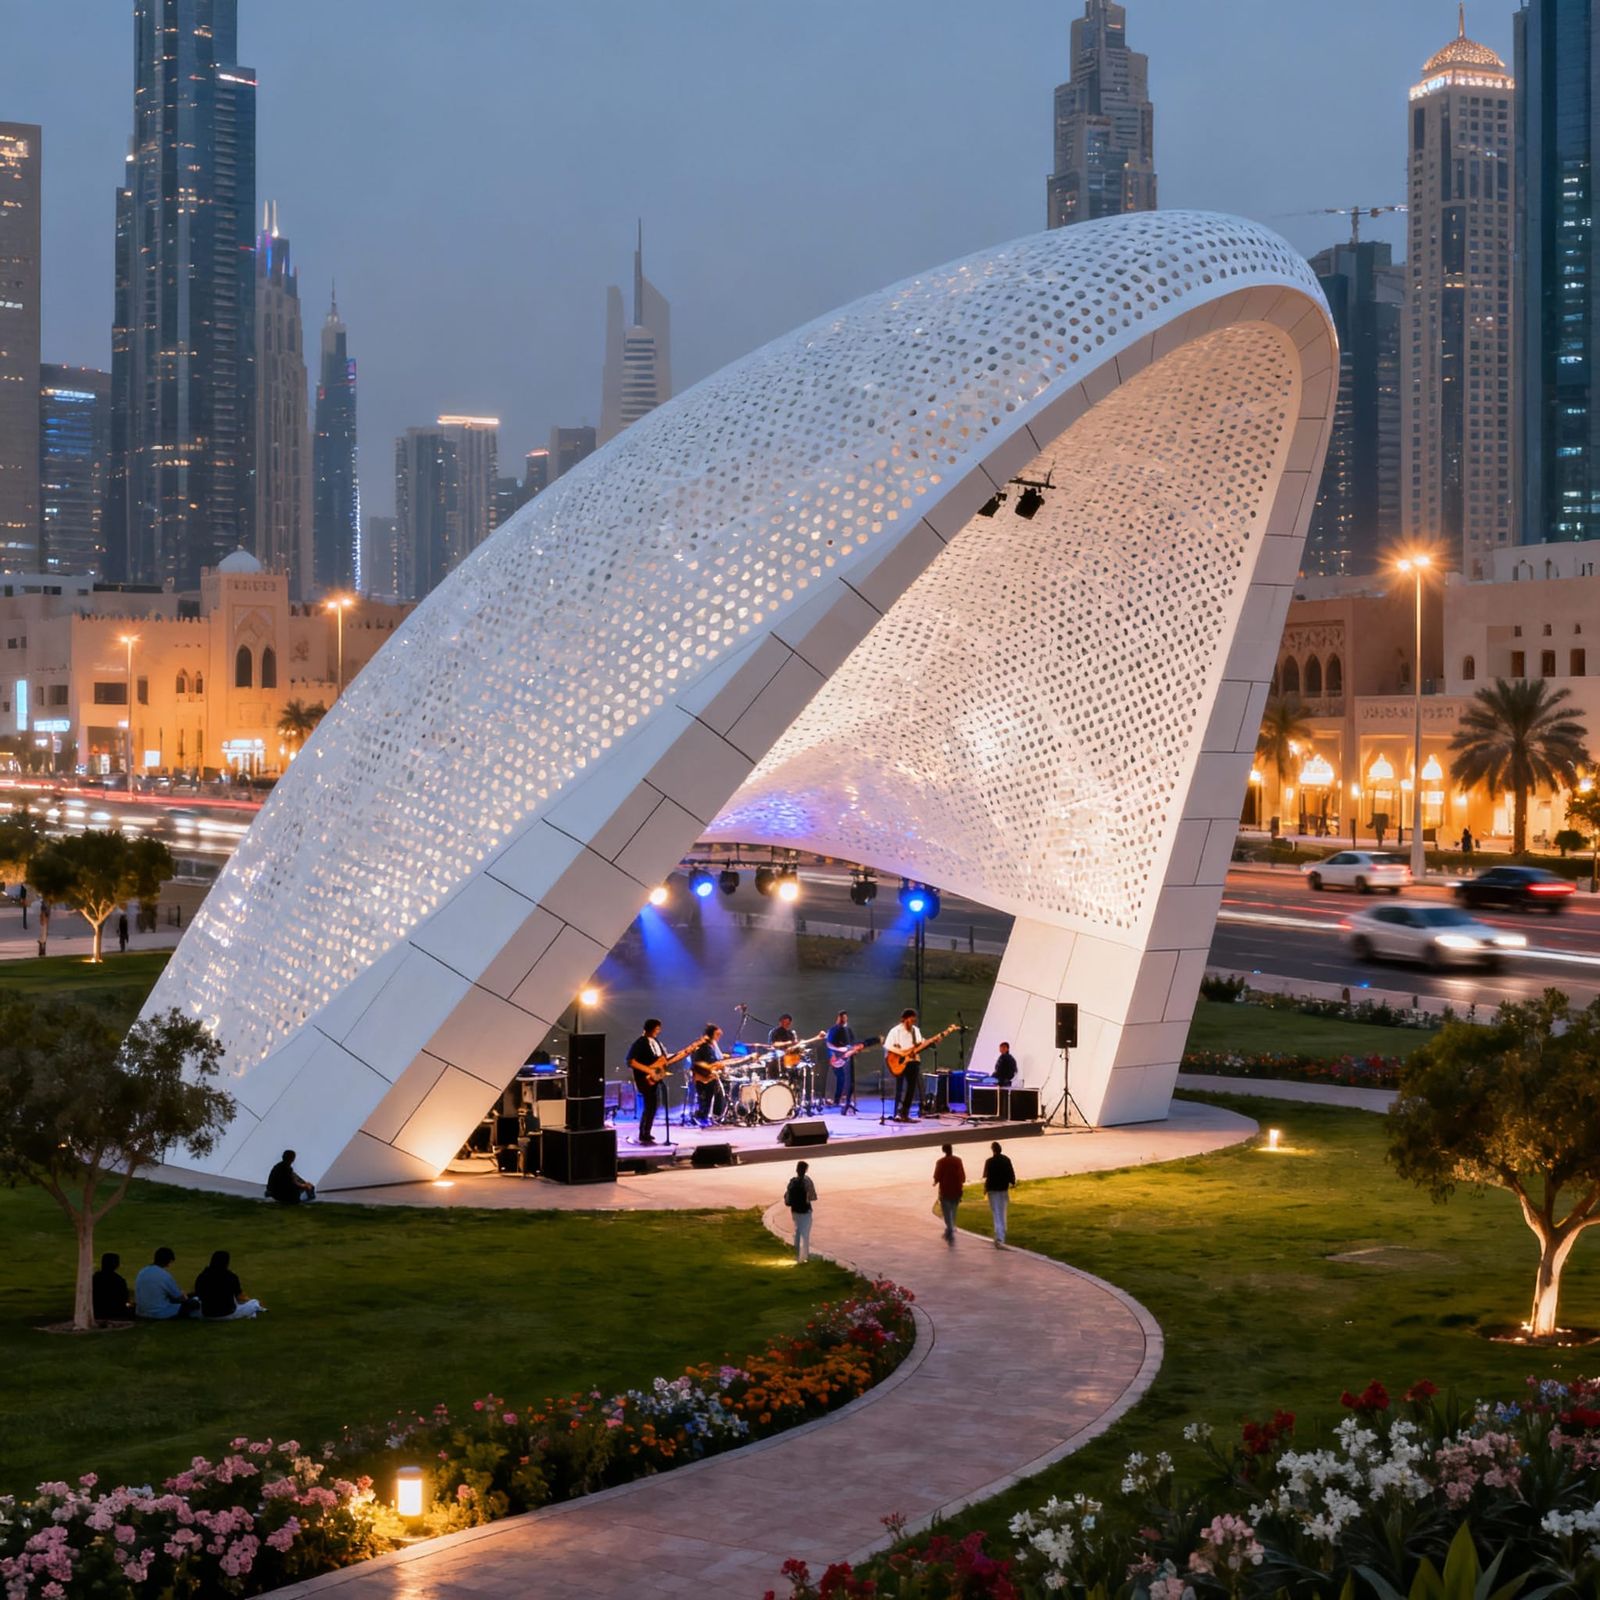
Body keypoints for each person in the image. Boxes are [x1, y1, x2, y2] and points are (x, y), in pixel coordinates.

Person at [627, 1018, 668, 1145]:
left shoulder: (656, 1042)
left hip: (655, 1078)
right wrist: (648, 1070)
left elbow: (660, 1058)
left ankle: (646, 1132)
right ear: (651, 1029)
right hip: (644, 1078)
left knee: (653, 1106)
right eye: (657, 1028)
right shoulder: (640, 1043)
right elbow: (630, 1061)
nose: (658, 1031)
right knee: (650, 1105)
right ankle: (643, 1132)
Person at [194, 1249, 264, 1320]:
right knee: (255, 1303)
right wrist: (250, 1300)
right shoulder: (231, 1276)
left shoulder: (203, 1275)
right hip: (227, 1313)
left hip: (207, 1314)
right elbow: (240, 1297)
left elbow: (199, 1294)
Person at [134, 1247, 199, 1319]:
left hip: (141, 1312)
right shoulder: (164, 1275)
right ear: (169, 1261)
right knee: (194, 1303)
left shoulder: (142, 1271)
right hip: (159, 1313)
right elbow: (179, 1298)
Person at [883, 1009, 923, 1122]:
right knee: (899, 1088)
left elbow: (919, 1045)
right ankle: (897, 1113)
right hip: (898, 1061)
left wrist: (930, 1043)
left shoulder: (916, 1031)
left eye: (913, 1021)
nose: (912, 1023)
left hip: (912, 1061)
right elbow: (888, 1046)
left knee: (911, 1087)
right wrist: (902, 1053)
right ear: (904, 1019)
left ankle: (904, 1112)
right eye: (910, 1020)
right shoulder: (895, 1031)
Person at [983, 1141, 1018, 1249]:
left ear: (993, 1150)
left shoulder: (989, 1162)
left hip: (992, 1190)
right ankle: (1002, 1233)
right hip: (1003, 1189)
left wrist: (985, 1189)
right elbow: (1011, 1174)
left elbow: (986, 1176)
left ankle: (999, 1235)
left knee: (996, 1213)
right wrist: (1012, 1182)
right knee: (1002, 1212)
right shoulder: (1006, 1160)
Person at [691, 1024, 727, 1127]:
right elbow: (700, 1062)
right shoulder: (703, 1045)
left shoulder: (712, 1045)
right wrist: (713, 1067)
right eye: (717, 1034)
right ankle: (703, 1117)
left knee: (713, 1095)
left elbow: (714, 1059)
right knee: (705, 1098)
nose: (719, 1037)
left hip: (710, 1075)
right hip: (703, 1077)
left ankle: (712, 1115)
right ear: (711, 1034)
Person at [932, 1143, 967, 1244]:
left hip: (945, 1190)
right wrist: (962, 1181)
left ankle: (950, 1228)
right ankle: (951, 1227)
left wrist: (935, 1182)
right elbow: (962, 1175)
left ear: (943, 1151)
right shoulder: (958, 1160)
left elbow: (937, 1176)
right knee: (953, 1209)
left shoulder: (941, 1162)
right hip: (957, 1190)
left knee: (946, 1212)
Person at [784, 1160, 817, 1263]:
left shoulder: (792, 1182)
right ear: (806, 1170)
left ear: (797, 1170)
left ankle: (797, 1256)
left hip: (795, 1210)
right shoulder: (807, 1181)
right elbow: (813, 1196)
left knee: (797, 1231)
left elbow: (787, 1197)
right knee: (805, 1234)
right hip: (806, 1210)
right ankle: (805, 1256)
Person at [825, 1010, 857, 1111]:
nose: (843, 1019)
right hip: (836, 1057)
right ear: (838, 1018)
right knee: (840, 1077)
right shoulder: (833, 1029)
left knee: (848, 1079)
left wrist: (852, 1049)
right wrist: (834, 1054)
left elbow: (852, 1043)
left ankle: (846, 1100)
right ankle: (836, 1100)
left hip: (846, 1057)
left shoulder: (848, 1030)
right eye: (841, 1017)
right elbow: (828, 1044)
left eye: (845, 1017)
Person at [92, 1251, 131, 1322]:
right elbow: (124, 1298)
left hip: (97, 1311)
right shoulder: (119, 1280)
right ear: (117, 1265)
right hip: (114, 1312)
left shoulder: (94, 1278)